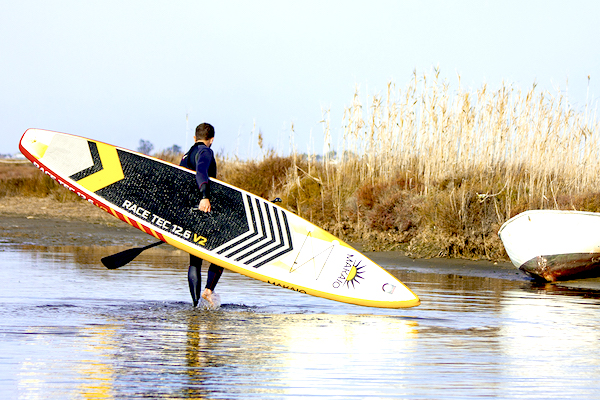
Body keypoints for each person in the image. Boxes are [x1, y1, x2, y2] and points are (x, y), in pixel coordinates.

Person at [180, 122, 224, 307]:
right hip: (203, 211)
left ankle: (194, 305)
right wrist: (205, 196)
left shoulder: (186, 155)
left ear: (194, 138)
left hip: (189, 212)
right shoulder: (205, 152)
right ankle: (207, 291)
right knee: (221, 253)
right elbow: (201, 172)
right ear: (211, 139)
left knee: (194, 259)